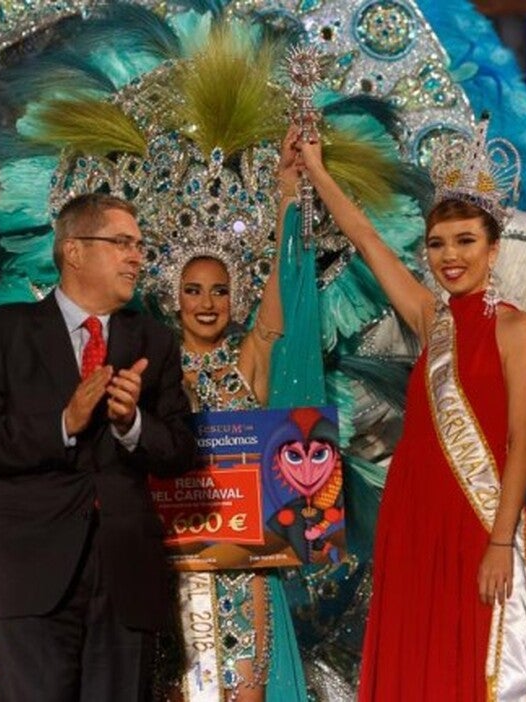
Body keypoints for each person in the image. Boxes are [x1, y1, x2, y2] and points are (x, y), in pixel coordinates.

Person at [293, 131, 526, 700]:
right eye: (437, 244)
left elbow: (523, 440)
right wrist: (315, 167)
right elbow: (366, 238)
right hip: (415, 518)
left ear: (493, 248)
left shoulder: (516, 329)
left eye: (465, 241)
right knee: (423, 660)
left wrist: (501, 542)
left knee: (479, 659)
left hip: (482, 521)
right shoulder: (429, 318)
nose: (450, 256)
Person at [0, 192, 198, 701]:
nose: (136, 258)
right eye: (122, 243)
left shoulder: (154, 342)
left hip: (126, 577)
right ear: (74, 250)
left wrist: (132, 424)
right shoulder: (2, 332)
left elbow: (180, 450)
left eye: (140, 246)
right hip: (33, 573)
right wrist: (63, 422)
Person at [153, 132, 298, 701]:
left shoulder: (247, 361)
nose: (207, 303)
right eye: (193, 290)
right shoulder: (155, 368)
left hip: (243, 564)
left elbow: (276, 306)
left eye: (219, 291)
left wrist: (287, 198)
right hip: (174, 563)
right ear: (174, 297)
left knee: (244, 691)